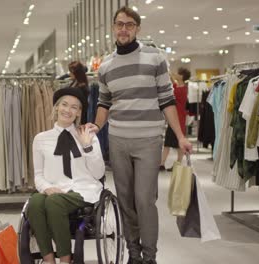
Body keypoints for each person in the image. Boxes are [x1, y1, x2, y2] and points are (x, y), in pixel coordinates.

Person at [85, 6, 192, 264]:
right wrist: (96, 127)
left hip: (148, 140)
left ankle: (149, 256)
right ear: (113, 27)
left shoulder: (155, 58)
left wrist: (180, 136)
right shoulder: (107, 66)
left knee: (145, 200)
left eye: (129, 24)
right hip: (118, 140)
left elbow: (167, 100)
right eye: (119, 24)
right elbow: (104, 103)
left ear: (137, 28)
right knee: (125, 201)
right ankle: (133, 254)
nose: (124, 29)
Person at [27, 87, 105, 264]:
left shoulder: (88, 135)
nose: (68, 110)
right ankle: (48, 258)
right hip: (54, 189)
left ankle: (65, 259)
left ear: (79, 113)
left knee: (54, 202)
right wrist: (47, 188)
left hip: (83, 190)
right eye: (64, 105)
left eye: (74, 107)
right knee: (36, 202)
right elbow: (38, 175)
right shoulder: (41, 139)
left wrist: (87, 147)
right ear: (56, 107)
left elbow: (99, 173)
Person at [160, 67, 190, 171]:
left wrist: (171, 76)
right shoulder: (180, 87)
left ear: (182, 76)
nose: (176, 74)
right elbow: (173, 86)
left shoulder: (183, 89)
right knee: (168, 143)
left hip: (179, 119)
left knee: (178, 145)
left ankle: (176, 164)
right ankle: (162, 163)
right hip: (174, 118)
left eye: (178, 73)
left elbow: (174, 90)